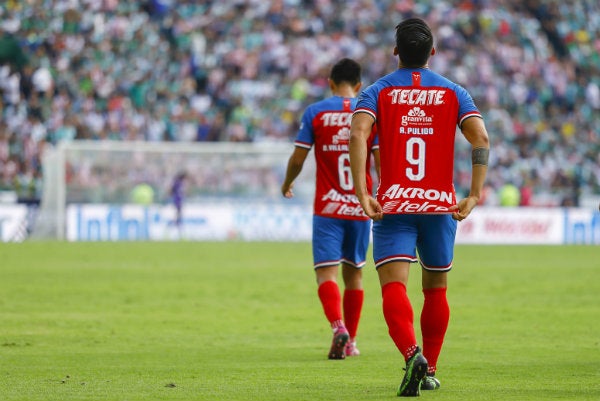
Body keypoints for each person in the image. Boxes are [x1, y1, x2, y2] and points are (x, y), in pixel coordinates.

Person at [349, 18, 489, 396]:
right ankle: (431, 368)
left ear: (395, 51)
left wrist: (363, 192)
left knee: (394, 286)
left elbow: (358, 133)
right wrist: (474, 194)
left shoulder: (377, 92)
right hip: (439, 205)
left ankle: (413, 356)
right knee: (436, 289)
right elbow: (480, 138)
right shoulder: (455, 92)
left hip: (394, 205)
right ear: (433, 52)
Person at [281, 58, 380, 360]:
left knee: (326, 275)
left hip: (328, 207)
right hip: (360, 207)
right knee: (355, 276)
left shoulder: (316, 112)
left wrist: (287, 183)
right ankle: (351, 342)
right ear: (359, 85)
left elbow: (298, 159)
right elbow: (379, 160)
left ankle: (338, 328)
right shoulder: (369, 115)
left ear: (331, 84)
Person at [170, 171, 187, 239]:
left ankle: (177, 226)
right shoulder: (178, 183)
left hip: (178, 201)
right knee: (178, 215)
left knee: (178, 215)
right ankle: (176, 226)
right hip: (177, 201)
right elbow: (172, 190)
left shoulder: (179, 183)